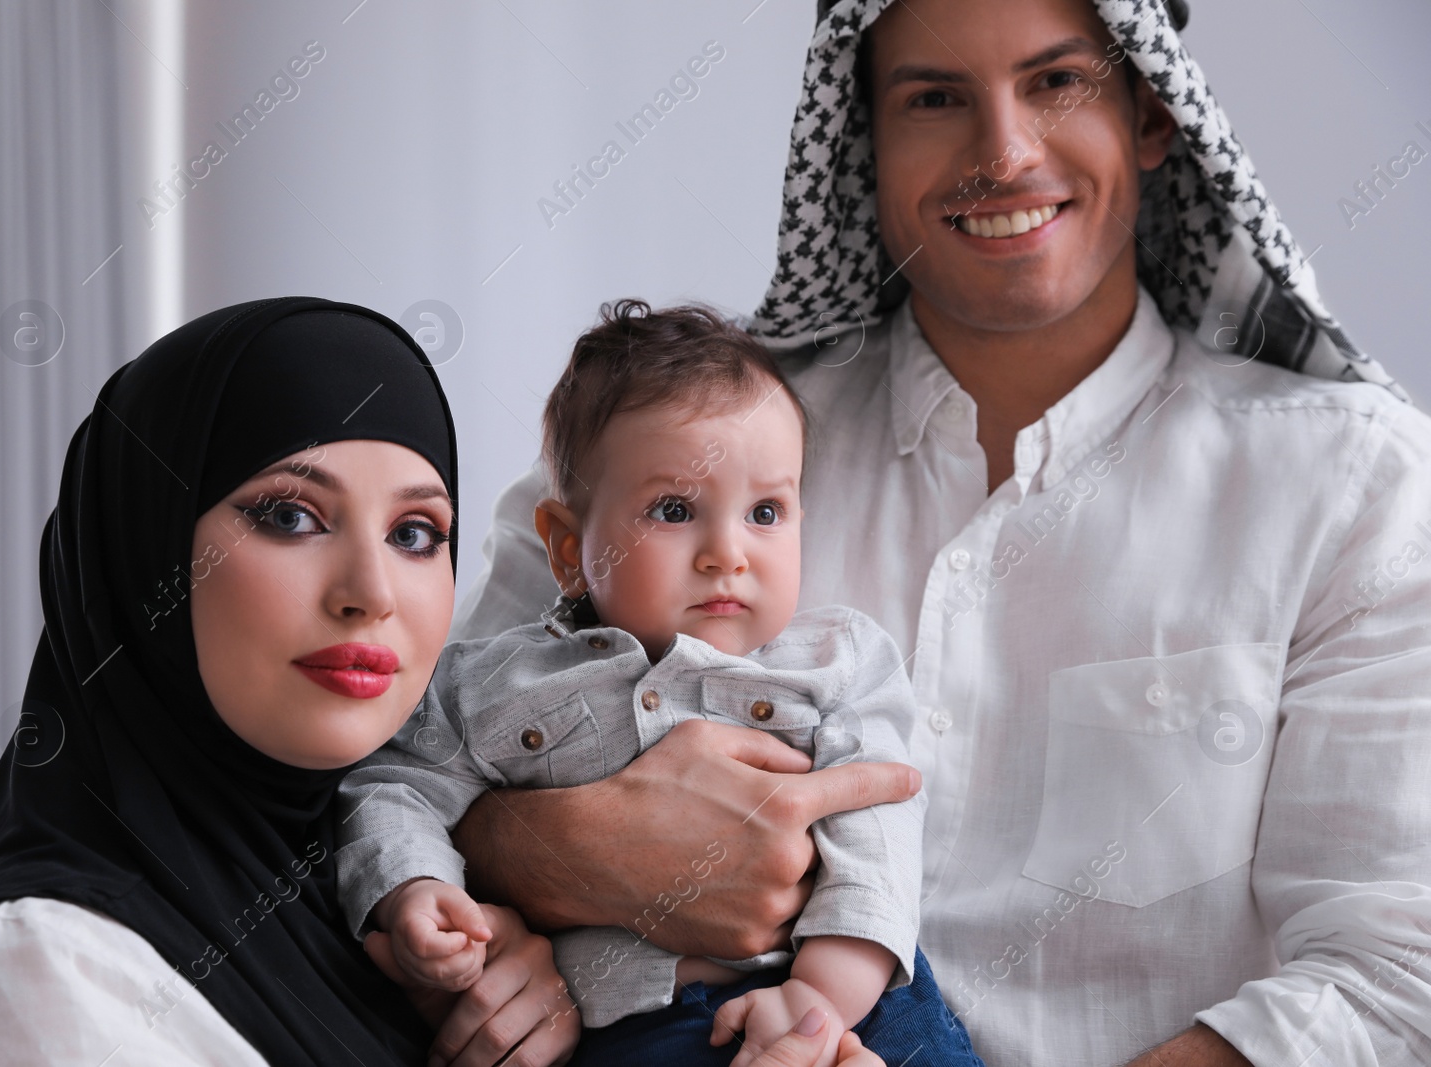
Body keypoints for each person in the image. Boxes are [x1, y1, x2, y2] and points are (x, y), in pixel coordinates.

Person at [443, 1, 1431, 1065]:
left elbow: (1391, 977)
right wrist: (538, 853)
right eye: (934, 97)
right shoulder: (672, 454)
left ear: (1151, 114)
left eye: (1058, 81)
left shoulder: (1350, 484)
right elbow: (378, 781)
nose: (1002, 154)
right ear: (862, 136)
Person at [0, 298, 578, 1067]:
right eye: (289, 516)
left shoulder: (396, 923)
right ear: (146, 551)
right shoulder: (32, 975)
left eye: (414, 534)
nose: (371, 591)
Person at [334, 301, 984, 1066]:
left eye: (766, 511)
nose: (727, 552)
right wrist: (414, 887)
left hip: (857, 998)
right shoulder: (496, 681)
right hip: (631, 1029)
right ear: (570, 548)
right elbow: (394, 783)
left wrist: (821, 999)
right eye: (675, 510)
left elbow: (878, 835)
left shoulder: (839, 664)